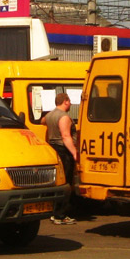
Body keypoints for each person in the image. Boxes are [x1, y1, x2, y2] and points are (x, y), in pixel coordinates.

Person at [45, 92, 79, 224]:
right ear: (65, 101)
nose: (70, 104)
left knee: (57, 182)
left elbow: (43, 121)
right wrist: (74, 153)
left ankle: (54, 213)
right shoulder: (64, 117)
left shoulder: (50, 115)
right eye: (69, 102)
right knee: (66, 184)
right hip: (63, 151)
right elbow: (66, 137)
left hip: (53, 148)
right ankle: (61, 215)